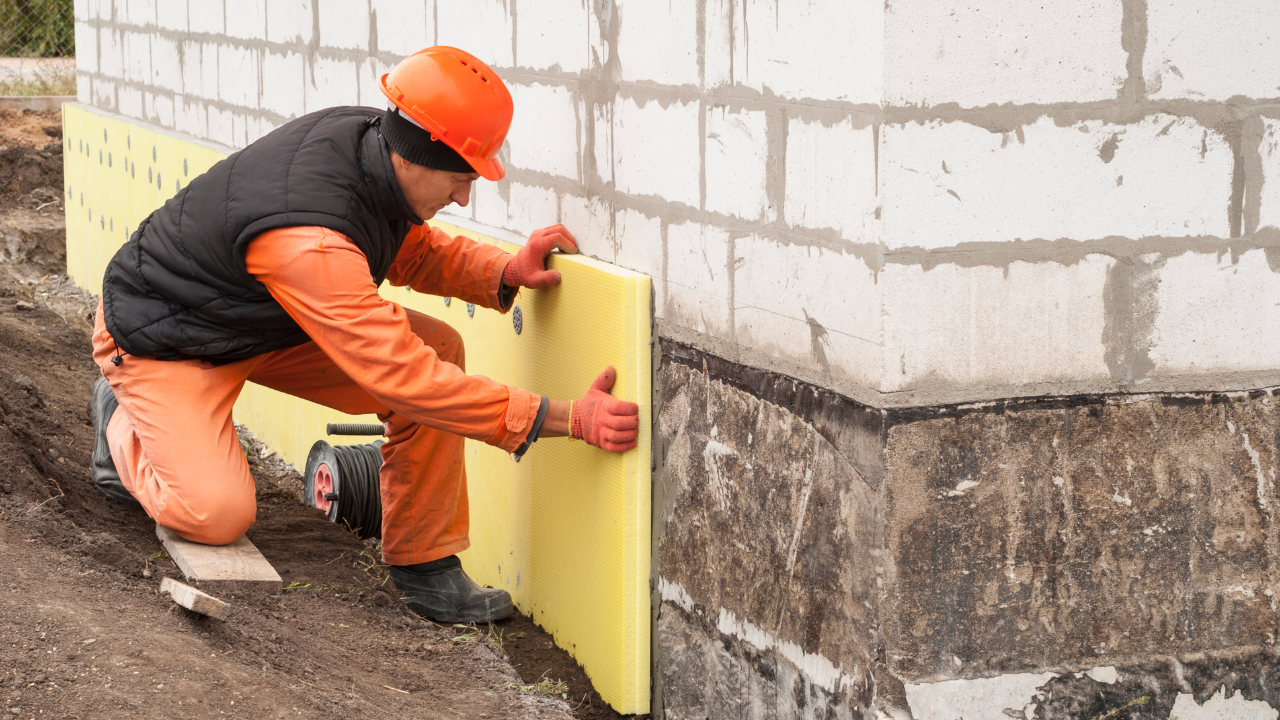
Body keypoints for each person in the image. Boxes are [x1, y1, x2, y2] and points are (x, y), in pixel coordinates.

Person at [87, 46, 640, 623]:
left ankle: (426, 564)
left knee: (439, 349)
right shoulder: (309, 242)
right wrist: (563, 418)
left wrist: (501, 271)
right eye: (459, 178)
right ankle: (123, 420)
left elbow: (400, 244)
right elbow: (406, 381)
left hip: (259, 320)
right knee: (214, 514)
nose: (463, 197)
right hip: (165, 338)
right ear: (419, 153)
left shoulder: (370, 145)